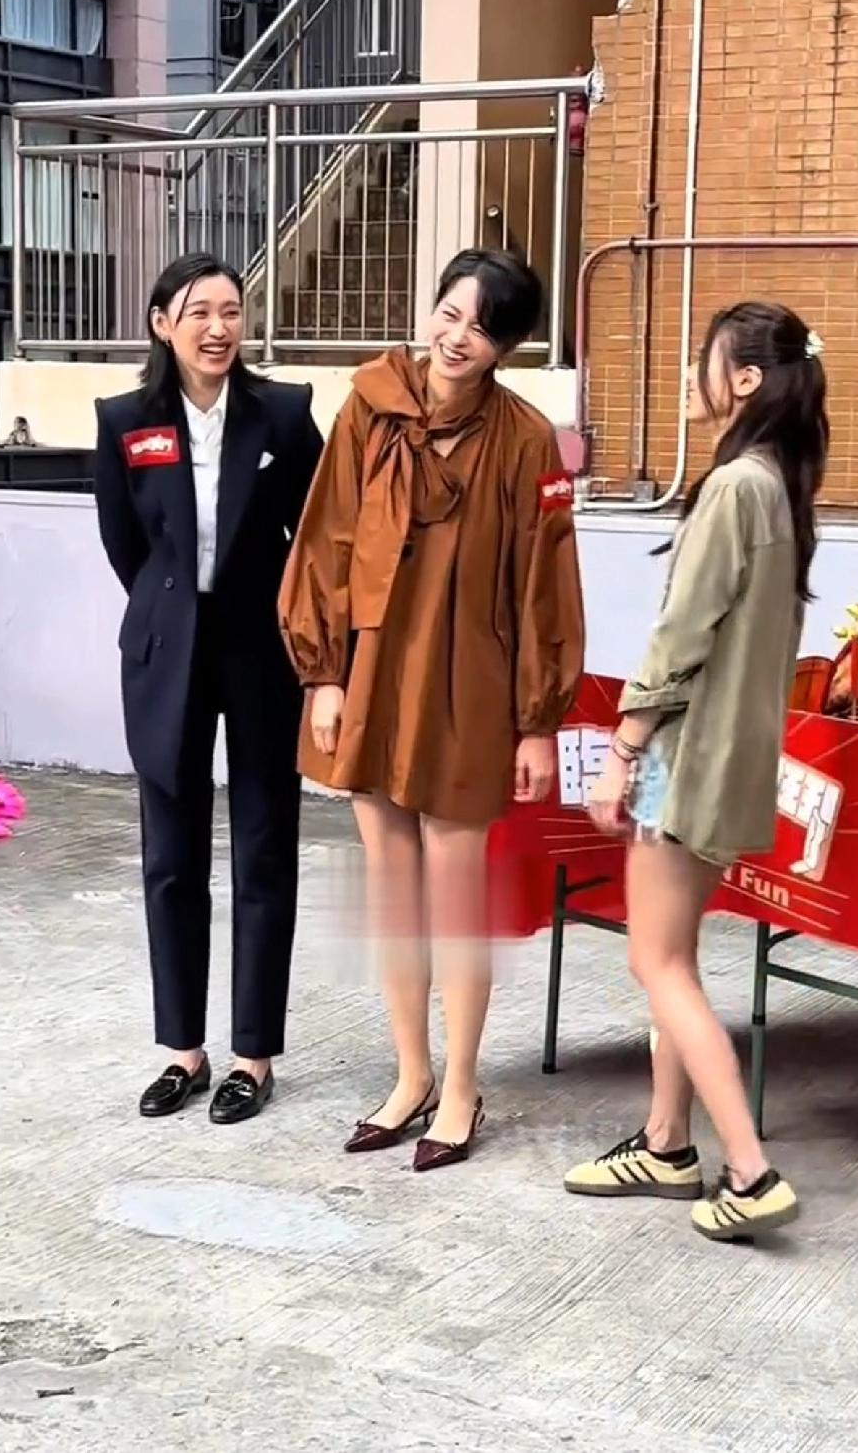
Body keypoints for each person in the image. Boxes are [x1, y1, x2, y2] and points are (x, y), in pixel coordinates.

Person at [279, 248, 585, 1171]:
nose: (457, 338)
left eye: (482, 328)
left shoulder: (529, 441)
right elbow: (326, 539)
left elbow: (545, 584)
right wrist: (323, 676)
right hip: (371, 674)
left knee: (454, 898)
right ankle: (409, 1075)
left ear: (508, 347)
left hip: (471, 684)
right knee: (393, 891)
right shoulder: (370, 406)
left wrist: (539, 721)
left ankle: (460, 1086)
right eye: (449, 313)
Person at [564, 301, 829, 1240]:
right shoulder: (781, 485)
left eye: (704, 360)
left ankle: (748, 1170)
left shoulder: (735, 487)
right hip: (732, 760)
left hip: (687, 759)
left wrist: (621, 750)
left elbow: (681, 637)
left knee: (658, 961)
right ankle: (666, 1142)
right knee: (673, 955)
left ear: (746, 380)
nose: (690, 375)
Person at [94, 252, 323, 1124]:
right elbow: (125, 543)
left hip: (261, 651)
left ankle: (252, 1056)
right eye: (199, 312)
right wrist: (171, 612)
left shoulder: (284, 414)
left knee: (264, 847)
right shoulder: (126, 421)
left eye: (231, 310)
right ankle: (181, 1050)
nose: (219, 327)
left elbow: (317, 535)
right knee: (171, 857)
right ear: (163, 324)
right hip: (167, 653)